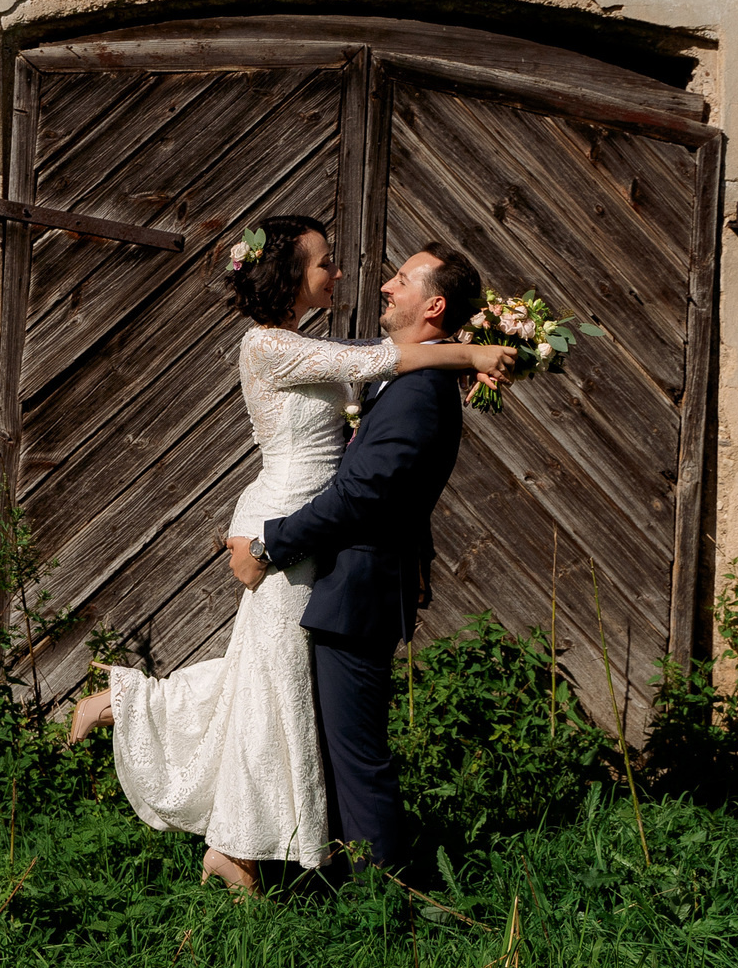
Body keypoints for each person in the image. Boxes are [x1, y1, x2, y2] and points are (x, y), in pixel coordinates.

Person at [67, 217, 511, 895]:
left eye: (398, 277)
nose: (349, 275)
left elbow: (377, 391)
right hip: (285, 526)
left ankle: (232, 840)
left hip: (302, 537)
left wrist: (470, 351)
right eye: (326, 263)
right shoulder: (268, 346)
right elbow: (376, 366)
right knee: (274, 685)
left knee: (270, 684)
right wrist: (473, 354)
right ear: (292, 276)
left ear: (433, 304)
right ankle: (228, 822)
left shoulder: (317, 348)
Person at [257, 241, 483, 876]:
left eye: (402, 280)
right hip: (354, 586)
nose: (386, 286)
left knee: (355, 755)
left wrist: (274, 542)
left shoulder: (422, 391)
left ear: (433, 306)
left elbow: (364, 495)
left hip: (358, 589)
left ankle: (383, 900)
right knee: (334, 746)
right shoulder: (415, 380)